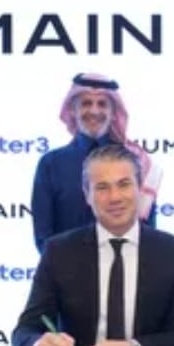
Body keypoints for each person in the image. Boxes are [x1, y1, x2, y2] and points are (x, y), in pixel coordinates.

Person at [13, 144, 174, 346]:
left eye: (124, 184)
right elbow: (25, 331)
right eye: (102, 188)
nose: (115, 197)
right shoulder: (59, 251)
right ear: (87, 195)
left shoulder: (173, 252)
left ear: (140, 189)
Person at [31, 73, 162, 254]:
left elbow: (148, 233)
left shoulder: (137, 161)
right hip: (66, 268)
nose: (94, 111)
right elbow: (44, 236)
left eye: (102, 104)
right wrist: (62, 268)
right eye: (86, 103)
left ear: (113, 112)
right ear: (73, 110)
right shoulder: (51, 164)